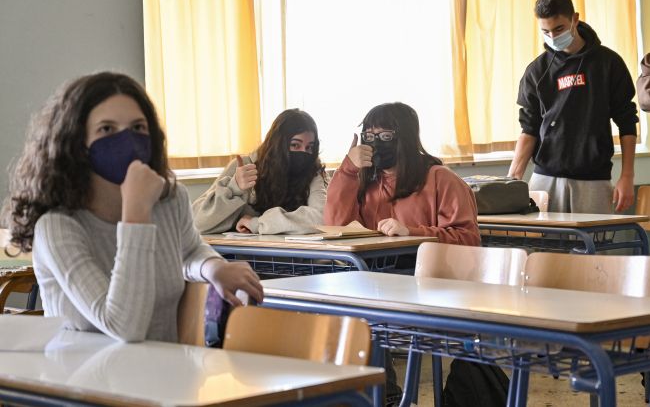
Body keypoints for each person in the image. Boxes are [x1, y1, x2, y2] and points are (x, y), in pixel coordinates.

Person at [2, 72, 263, 343]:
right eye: (107, 129)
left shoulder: (169, 199)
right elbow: (123, 326)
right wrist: (136, 214)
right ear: (76, 143)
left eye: (138, 127)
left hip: (164, 365)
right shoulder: (57, 226)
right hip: (82, 369)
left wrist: (213, 267)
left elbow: (188, 251)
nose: (127, 140)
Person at [508, 0, 639, 213]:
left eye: (559, 29)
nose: (553, 37)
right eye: (546, 31)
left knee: (593, 236)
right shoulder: (536, 71)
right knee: (542, 236)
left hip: (593, 179)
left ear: (574, 19)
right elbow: (529, 128)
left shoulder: (609, 63)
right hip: (545, 178)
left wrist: (627, 176)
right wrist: (511, 180)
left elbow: (627, 123)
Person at [324, 102, 480, 246]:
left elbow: (468, 238)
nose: (375, 143)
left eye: (385, 136)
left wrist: (411, 233)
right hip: (374, 265)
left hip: (425, 265)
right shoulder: (364, 182)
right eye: (369, 137)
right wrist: (347, 171)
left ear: (406, 139)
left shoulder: (441, 179)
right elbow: (337, 230)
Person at [192, 109, 327, 235]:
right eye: (295, 145)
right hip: (241, 251)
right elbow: (197, 223)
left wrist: (258, 224)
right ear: (278, 143)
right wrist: (235, 187)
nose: (303, 152)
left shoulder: (313, 172)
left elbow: (322, 218)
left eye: (309, 147)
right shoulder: (245, 166)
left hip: (293, 252)